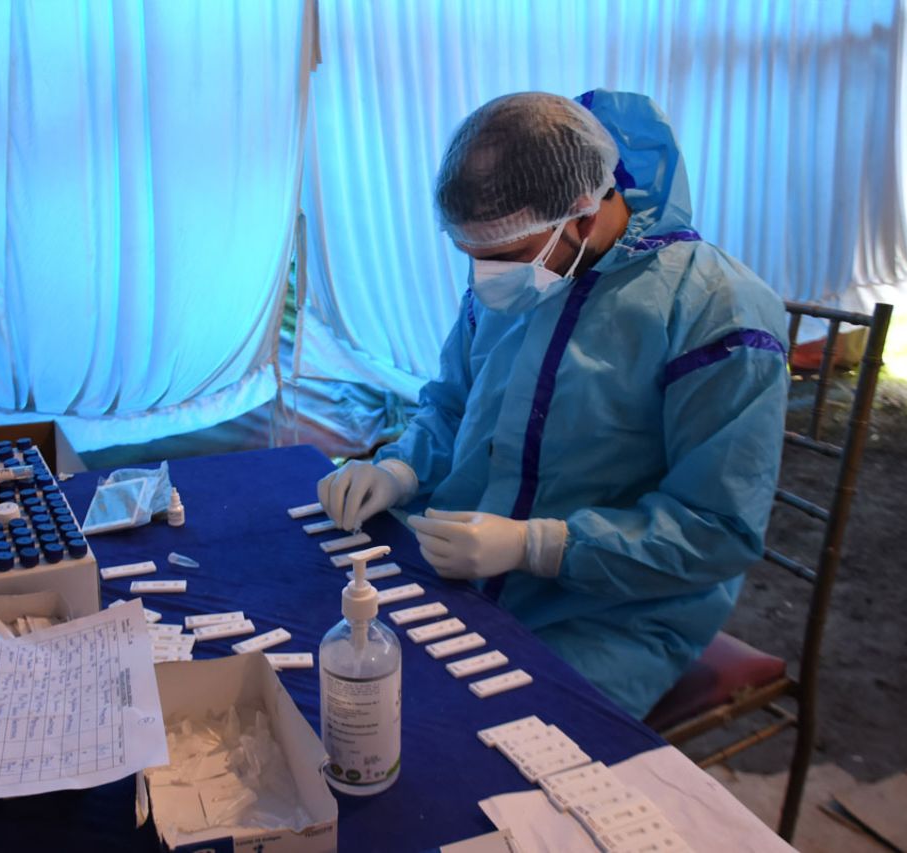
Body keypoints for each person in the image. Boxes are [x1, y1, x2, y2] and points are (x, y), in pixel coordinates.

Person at [316, 90, 789, 719]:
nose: (488, 278)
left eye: (505, 258)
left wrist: (539, 545)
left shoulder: (713, 311)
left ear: (584, 216)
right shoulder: (526, 266)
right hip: (463, 564)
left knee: (475, 748)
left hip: (611, 614)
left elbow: (718, 529)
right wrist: (400, 469)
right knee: (344, 678)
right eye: (474, 257)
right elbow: (453, 404)